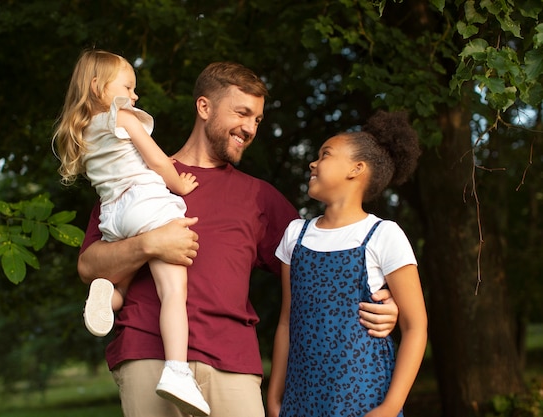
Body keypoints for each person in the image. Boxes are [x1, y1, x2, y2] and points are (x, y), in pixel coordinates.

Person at [77, 61, 401, 417]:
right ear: (204, 107)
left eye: (257, 120)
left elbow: (319, 268)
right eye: (242, 113)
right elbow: (89, 267)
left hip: (233, 366)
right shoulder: (139, 182)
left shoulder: (259, 197)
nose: (249, 128)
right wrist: (149, 244)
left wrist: (383, 301)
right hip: (147, 354)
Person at [53, 49, 209, 415]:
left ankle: (109, 295)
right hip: (145, 203)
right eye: (128, 86)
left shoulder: (83, 130)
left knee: (125, 276)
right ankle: (176, 371)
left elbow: (123, 165)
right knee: (172, 290)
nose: (134, 95)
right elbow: (154, 159)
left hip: (113, 216)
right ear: (98, 86)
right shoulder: (122, 115)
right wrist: (178, 183)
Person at [267, 111, 428, 417]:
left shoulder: (383, 235)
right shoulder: (295, 235)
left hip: (365, 400)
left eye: (325, 154)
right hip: (300, 400)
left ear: (357, 168)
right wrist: (275, 398)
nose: (313, 163)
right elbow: (287, 322)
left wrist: (389, 408)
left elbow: (415, 326)